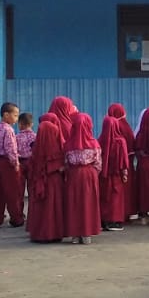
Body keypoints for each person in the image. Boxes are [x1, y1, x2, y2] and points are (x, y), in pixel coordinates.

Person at [26, 107, 68, 244]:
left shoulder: (36, 147)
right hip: (54, 180)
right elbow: (61, 164)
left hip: (39, 181)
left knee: (41, 207)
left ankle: (39, 233)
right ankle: (54, 233)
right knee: (53, 206)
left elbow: (33, 164)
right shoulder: (58, 144)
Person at [63, 112, 103, 245]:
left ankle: (75, 235)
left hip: (73, 175)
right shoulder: (94, 143)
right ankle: (87, 234)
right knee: (88, 203)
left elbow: (66, 163)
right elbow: (98, 163)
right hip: (89, 174)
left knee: (74, 203)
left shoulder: (68, 144)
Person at [0, 103, 25, 228]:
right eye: (15, 115)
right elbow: (10, 148)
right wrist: (15, 163)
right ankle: (16, 219)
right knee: (12, 192)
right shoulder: (8, 130)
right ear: (6, 115)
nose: (17, 118)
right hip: (7, 163)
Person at [97, 103, 135, 231]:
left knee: (105, 197)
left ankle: (103, 220)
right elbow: (124, 161)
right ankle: (114, 221)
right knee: (116, 198)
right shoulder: (120, 141)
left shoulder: (99, 140)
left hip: (103, 175)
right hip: (116, 175)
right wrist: (125, 174)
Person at [16, 112, 36, 221]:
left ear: (20, 124)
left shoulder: (16, 137)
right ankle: (32, 215)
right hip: (32, 164)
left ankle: (19, 214)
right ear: (31, 124)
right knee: (32, 189)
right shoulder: (35, 136)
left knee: (19, 191)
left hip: (20, 164)